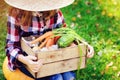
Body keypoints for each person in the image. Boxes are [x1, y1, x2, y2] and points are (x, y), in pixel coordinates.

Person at [3, 0, 94, 80]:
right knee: (57, 78)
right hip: (29, 61)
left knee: (68, 76)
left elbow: (66, 33)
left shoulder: (55, 12)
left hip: (53, 57)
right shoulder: (17, 15)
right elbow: (10, 46)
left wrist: (84, 44)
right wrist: (25, 60)